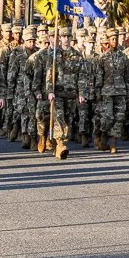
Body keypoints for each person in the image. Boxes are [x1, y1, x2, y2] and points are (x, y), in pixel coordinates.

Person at [41, 27, 84, 161]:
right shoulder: (54, 55)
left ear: (71, 38)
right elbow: (49, 75)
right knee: (59, 118)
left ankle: (56, 143)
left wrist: (82, 93)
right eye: (63, 36)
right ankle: (61, 144)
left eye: (68, 37)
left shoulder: (77, 56)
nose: (66, 39)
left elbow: (82, 76)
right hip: (58, 92)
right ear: (60, 38)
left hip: (71, 93)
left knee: (68, 119)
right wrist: (50, 91)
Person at [96, 29, 129, 154]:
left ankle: (113, 142)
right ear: (108, 40)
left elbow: (128, 75)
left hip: (121, 92)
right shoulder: (103, 57)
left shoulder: (123, 57)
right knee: (107, 118)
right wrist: (98, 92)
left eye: (116, 38)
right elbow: (99, 76)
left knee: (119, 118)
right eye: (112, 39)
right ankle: (103, 136)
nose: (115, 41)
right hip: (107, 92)